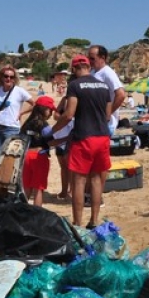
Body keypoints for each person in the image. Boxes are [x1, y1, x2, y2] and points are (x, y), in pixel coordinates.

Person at [52, 55, 111, 228]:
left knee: (78, 180)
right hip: (102, 137)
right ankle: (94, 220)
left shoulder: (75, 85)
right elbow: (107, 116)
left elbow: (69, 114)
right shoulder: (103, 86)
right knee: (96, 180)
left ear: (74, 68)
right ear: (88, 66)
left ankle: (77, 222)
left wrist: (53, 130)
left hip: (84, 137)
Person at [0, 66, 34, 156]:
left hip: (12, 128)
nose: (9, 79)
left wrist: (21, 113)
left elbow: (34, 104)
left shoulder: (19, 91)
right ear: (1, 77)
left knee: (10, 158)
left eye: (11, 77)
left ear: (15, 79)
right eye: (6, 76)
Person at [20, 95, 57, 207]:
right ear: (43, 109)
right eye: (50, 110)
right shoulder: (44, 125)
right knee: (38, 189)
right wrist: (66, 139)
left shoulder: (27, 123)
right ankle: (37, 214)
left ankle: (21, 211)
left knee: (26, 187)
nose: (51, 113)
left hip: (26, 156)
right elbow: (51, 142)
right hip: (39, 156)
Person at [88, 45, 126, 133]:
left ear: (102, 58)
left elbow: (121, 94)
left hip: (106, 124)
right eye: (89, 58)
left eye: (92, 58)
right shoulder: (92, 72)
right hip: (94, 122)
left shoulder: (107, 73)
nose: (90, 61)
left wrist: (107, 114)